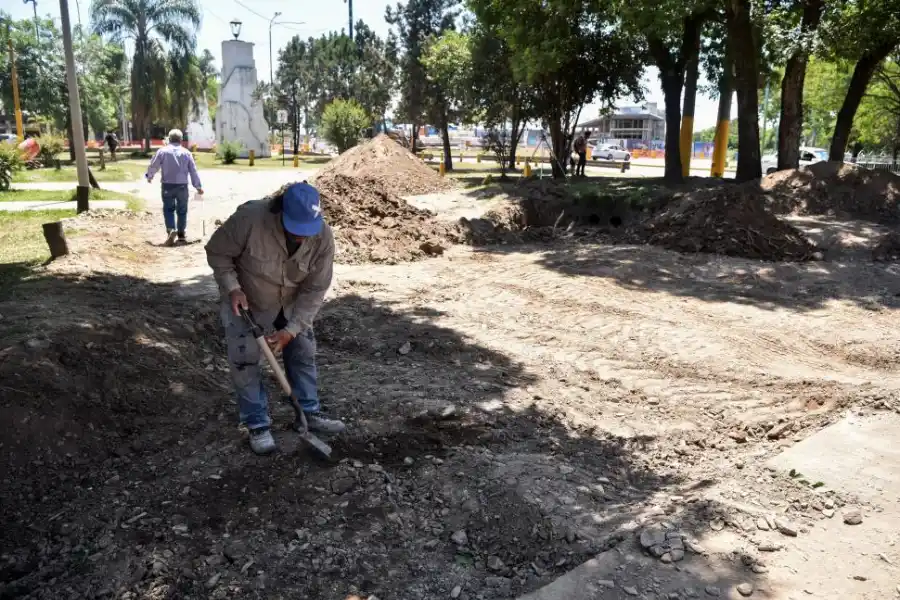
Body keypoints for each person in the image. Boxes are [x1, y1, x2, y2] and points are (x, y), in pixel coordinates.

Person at [205, 181, 344, 455]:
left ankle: (308, 414)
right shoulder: (249, 220)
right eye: (296, 230)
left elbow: (316, 289)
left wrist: (291, 330)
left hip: (291, 305)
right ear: (280, 212)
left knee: (303, 352)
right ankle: (257, 424)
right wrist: (232, 288)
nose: (303, 237)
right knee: (245, 361)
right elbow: (218, 253)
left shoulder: (323, 236)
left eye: (308, 231)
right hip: (247, 302)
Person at [145, 128, 204, 246]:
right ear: (181, 140)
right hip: (182, 186)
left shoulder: (162, 151)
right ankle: (181, 235)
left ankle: (171, 230)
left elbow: (154, 164)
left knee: (168, 209)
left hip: (167, 185)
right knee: (182, 210)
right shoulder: (186, 153)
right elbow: (193, 171)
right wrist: (198, 186)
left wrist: (149, 176)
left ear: (169, 139)